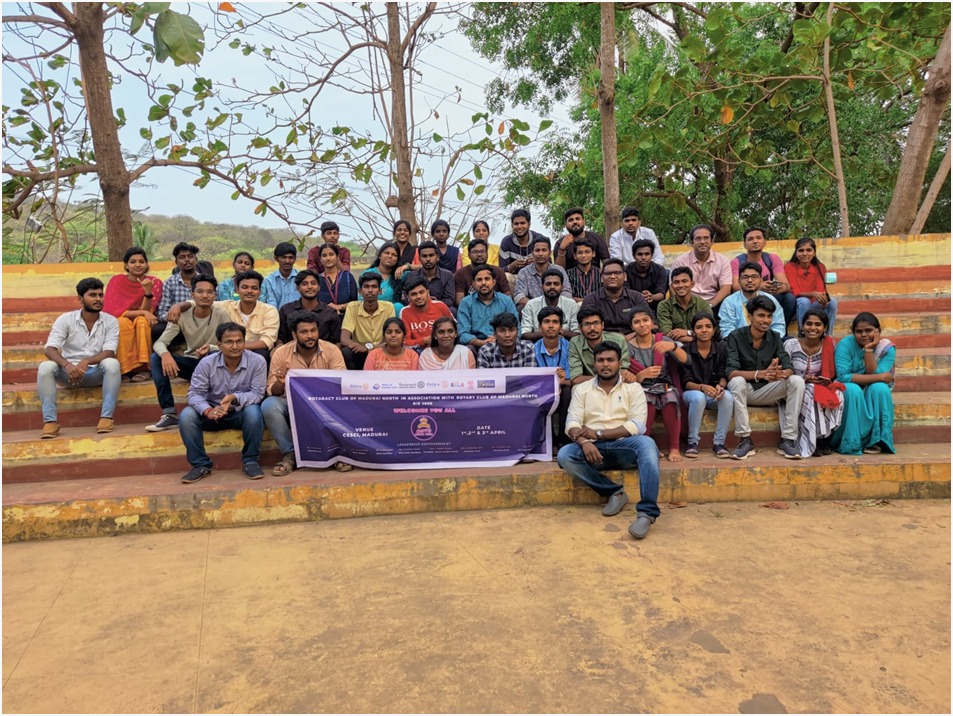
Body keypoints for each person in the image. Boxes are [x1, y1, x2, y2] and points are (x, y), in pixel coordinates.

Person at [557, 341, 661, 540]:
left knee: (647, 445)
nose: (605, 364)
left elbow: (637, 426)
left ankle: (647, 512)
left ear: (619, 363)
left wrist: (597, 435)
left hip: (624, 447)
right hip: (592, 450)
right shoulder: (582, 389)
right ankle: (614, 492)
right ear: (594, 363)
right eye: (601, 360)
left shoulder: (633, 388)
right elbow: (571, 423)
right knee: (565, 455)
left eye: (610, 360)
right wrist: (585, 442)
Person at [177, 322, 266, 483]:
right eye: (229, 342)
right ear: (219, 344)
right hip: (212, 413)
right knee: (186, 415)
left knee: (253, 412)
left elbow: (257, 393)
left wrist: (234, 398)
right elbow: (195, 394)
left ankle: (250, 461)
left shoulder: (257, 361)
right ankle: (200, 465)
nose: (235, 346)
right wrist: (208, 410)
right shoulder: (206, 363)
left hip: (239, 412)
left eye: (239, 341)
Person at [263, 310, 348, 477]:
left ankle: (337, 453)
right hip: (293, 404)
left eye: (313, 331)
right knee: (269, 405)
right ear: (294, 334)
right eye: (304, 332)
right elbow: (271, 390)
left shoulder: (331, 350)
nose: (310, 336)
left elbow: (340, 383)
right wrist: (281, 383)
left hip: (325, 403)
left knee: (344, 402)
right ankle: (291, 454)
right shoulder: (281, 353)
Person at [37, 278, 120, 439]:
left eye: (100, 295)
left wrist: (88, 361)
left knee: (112, 364)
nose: (98, 299)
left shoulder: (111, 321)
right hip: (68, 374)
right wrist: (67, 365)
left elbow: (110, 351)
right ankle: (50, 422)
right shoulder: (65, 319)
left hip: (95, 373)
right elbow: (50, 349)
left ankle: (106, 418)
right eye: (92, 295)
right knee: (45, 367)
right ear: (80, 299)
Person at [146, 274, 230, 432]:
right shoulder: (182, 315)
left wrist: (211, 348)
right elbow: (160, 342)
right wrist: (165, 355)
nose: (205, 296)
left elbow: (232, 345)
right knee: (156, 357)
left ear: (215, 295)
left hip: (215, 362)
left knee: (215, 357)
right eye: (200, 291)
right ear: (192, 295)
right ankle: (169, 413)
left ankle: (217, 407)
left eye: (209, 292)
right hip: (193, 364)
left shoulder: (221, 314)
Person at [726, 295, 806, 460]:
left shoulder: (775, 337)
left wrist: (780, 374)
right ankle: (745, 441)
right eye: (761, 315)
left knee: (796, 381)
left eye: (769, 316)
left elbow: (788, 366)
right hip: (744, 391)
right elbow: (731, 372)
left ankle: (788, 440)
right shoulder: (736, 336)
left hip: (768, 391)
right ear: (750, 317)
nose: (766, 320)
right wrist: (759, 374)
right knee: (737, 381)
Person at [168, 269, 280, 365]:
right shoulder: (227, 306)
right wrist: (177, 306)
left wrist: (238, 347)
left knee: (262, 354)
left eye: (254, 288)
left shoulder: (269, 311)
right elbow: (200, 302)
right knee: (215, 354)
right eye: (245, 287)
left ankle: (259, 388)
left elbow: (266, 342)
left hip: (252, 352)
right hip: (228, 353)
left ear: (260, 291)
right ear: (237, 289)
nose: (249, 291)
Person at [626, 307, 690, 462]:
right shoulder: (627, 346)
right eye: (637, 322)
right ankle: (646, 447)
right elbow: (624, 374)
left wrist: (673, 346)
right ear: (631, 327)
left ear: (653, 323)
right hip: (640, 387)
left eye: (645, 320)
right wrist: (640, 376)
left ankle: (674, 448)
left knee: (670, 399)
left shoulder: (664, 341)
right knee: (646, 401)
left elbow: (687, 361)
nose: (642, 325)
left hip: (665, 385)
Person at [781, 308, 845, 458]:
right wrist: (805, 381)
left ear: (825, 328)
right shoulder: (791, 345)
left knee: (838, 393)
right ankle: (812, 441)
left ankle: (824, 436)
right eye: (809, 324)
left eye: (818, 324)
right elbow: (784, 373)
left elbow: (832, 373)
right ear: (802, 326)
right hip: (792, 389)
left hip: (819, 387)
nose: (813, 328)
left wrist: (823, 380)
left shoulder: (829, 345)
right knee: (810, 390)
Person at [831, 312, 896, 455]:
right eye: (859, 331)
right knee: (852, 389)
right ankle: (851, 441)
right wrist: (879, 377)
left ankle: (877, 440)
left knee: (880, 389)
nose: (864, 335)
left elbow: (876, 374)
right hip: (849, 389)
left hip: (870, 388)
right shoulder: (845, 345)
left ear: (878, 331)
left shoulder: (886, 348)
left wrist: (868, 350)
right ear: (853, 332)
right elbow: (843, 377)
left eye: (868, 330)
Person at [103, 247, 162, 381]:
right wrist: (142, 312)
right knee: (121, 323)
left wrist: (147, 292)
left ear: (146, 265)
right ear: (126, 265)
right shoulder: (117, 281)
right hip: (122, 318)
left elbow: (148, 312)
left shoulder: (154, 282)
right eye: (133, 262)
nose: (137, 265)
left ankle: (144, 368)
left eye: (141, 261)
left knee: (142, 321)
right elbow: (113, 311)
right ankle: (123, 369)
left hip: (142, 318)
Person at [679, 312, 733, 459]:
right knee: (698, 398)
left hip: (712, 393)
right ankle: (692, 442)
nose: (704, 330)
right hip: (692, 393)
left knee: (727, 397)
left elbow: (723, 374)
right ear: (693, 330)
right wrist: (702, 387)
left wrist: (721, 386)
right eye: (699, 327)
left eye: (708, 326)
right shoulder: (685, 350)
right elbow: (686, 382)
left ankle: (719, 443)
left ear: (714, 329)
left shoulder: (722, 348)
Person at [731, 227, 796, 327]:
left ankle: (781, 330)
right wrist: (759, 286)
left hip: (769, 297)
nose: (755, 241)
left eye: (758, 238)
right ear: (744, 244)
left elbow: (786, 285)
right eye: (750, 239)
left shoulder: (772, 259)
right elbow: (735, 287)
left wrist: (777, 287)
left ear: (765, 242)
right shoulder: (737, 261)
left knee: (789, 298)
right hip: (747, 297)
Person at [669, 224, 732, 314]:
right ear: (691, 242)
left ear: (712, 241)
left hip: (713, 304)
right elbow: (673, 287)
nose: (702, 242)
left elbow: (726, 288)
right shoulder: (680, 261)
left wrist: (710, 306)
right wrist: (682, 307)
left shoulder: (722, 261)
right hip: (687, 306)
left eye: (706, 238)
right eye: (698, 238)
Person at [534, 306, 573, 448]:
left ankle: (564, 439)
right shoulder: (532, 349)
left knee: (568, 392)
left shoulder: (570, 347)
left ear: (561, 326)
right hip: (543, 390)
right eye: (546, 321)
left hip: (564, 391)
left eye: (555, 322)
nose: (551, 326)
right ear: (539, 326)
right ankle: (549, 440)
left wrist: (563, 382)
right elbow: (533, 378)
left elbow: (572, 377)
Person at [340, 272, 396, 369]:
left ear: (380, 291)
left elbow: (391, 338)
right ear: (360, 291)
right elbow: (344, 339)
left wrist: (368, 348)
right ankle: (353, 382)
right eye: (366, 287)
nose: (370, 290)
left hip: (382, 351)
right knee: (346, 352)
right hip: (359, 353)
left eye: (374, 287)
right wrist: (357, 346)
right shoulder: (352, 307)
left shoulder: (388, 307)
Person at [457, 265, 520, 352]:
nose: (483, 283)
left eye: (487, 279)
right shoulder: (466, 303)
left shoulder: (506, 301)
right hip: (477, 345)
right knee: (467, 349)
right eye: (479, 280)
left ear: (493, 282)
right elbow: (463, 333)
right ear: (473, 284)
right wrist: (482, 342)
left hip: (504, 342)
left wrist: (499, 340)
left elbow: (517, 329)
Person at [580, 258, 651, 334]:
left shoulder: (636, 297)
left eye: (617, 273)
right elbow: (586, 328)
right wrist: (617, 339)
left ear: (625, 276)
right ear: (601, 278)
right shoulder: (591, 300)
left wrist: (628, 338)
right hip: (602, 341)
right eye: (608, 273)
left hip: (633, 339)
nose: (613, 276)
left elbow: (649, 324)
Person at [784, 237, 837, 335]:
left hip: (814, 306)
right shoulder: (789, 267)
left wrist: (823, 298)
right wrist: (812, 293)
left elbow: (821, 291)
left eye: (809, 250)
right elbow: (794, 292)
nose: (805, 254)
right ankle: (803, 334)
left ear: (814, 253)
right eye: (801, 250)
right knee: (804, 301)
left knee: (832, 302)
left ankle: (827, 337)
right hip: (797, 308)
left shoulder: (820, 267)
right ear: (796, 253)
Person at [719, 261, 786, 337]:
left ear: (761, 280)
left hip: (767, 344)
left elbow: (779, 326)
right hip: (738, 345)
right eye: (745, 277)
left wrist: (767, 342)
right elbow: (727, 330)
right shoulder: (729, 302)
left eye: (754, 277)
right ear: (739, 281)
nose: (750, 280)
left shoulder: (771, 300)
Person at [276, 269, 342, 346]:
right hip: (292, 354)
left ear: (319, 287)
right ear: (297, 288)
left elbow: (337, 342)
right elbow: (280, 339)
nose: (310, 287)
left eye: (313, 283)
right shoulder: (286, 310)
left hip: (323, 354)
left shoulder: (330, 313)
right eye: (305, 284)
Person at [568, 306, 630, 384]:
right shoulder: (575, 343)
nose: (592, 328)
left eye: (596, 323)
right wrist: (603, 380)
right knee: (576, 388)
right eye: (587, 324)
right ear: (580, 328)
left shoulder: (618, 340)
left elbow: (623, 371)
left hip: (615, 384)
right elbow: (576, 378)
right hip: (589, 385)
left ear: (602, 325)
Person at [154, 241, 201, 342]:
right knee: (157, 330)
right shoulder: (169, 283)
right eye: (182, 257)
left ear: (196, 259)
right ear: (176, 262)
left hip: (202, 323)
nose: (187, 260)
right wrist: (175, 317)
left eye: (190, 256)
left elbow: (215, 306)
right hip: (177, 324)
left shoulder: (206, 281)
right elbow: (161, 312)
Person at [520, 269, 579, 341]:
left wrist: (560, 332)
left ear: (562, 287)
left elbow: (577, 333)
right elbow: (525, 333)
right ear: (542, 287)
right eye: (548, 284)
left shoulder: (571, 304)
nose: (552, 287)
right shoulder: (531, 305)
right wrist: (548, 333)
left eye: (556, 284)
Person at [513, 236, 571, 310]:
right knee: (520, 308)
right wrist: (539, 306)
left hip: (558, 308)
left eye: (544, 250)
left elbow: (567, 293)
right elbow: (519, 296)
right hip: (534, 309)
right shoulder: (524, 272)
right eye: (537, 250)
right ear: (532, 253)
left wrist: (552, 308)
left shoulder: (559, 270)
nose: (540, 254)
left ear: (550, 253)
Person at [656, 267, 710, 343]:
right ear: (672, 286)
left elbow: (709, 331)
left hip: (700, 345)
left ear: (692, 284)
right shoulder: (664, 305)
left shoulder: (702, 304)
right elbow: (667, 334)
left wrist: (687, 332)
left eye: (684, 281)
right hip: (674, 346)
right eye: (676, 282)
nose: (680, 285)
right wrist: (694, 339)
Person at [499, 209, 549, 290]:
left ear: (529, 224)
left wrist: (537, 262)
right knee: (506, 276)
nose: (519, 227)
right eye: (516, 224)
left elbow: (550, 263)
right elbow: (501, 270)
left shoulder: (539, 239)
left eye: (522, 223)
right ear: (512, 225)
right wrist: (513, 266)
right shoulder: (506, 242)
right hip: (516, 279)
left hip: (538, 277)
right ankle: (513, 302)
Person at [400, 275, 454, 350]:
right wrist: (423, 340)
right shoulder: (405, 312)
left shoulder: (440, 306)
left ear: (428, 292)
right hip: (418, 350)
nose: (418, 296)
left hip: (443, 347)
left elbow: (455, 329)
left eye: (421, 292)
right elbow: (405, 343)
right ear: (408, 297)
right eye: (414, 294)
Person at [455, 238, 512, 303]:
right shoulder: (461, 273)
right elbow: (459, 301)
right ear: (469, 255)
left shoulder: (498, 271)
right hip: (471, 309)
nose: (479, 255)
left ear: (487, 254)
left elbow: (507, 296)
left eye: (482, 251)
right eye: (475, 252)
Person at [403, 240, 456, 310]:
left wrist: (433, 302)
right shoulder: (412, 276)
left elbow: (450, 300)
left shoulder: (447, 275)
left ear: (437, 257)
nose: (428, 259)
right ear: (419, 259)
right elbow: (406, 298)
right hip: (418, 308)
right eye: (424, 256)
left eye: (431, 255)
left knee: (452, 310)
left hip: (439, 309)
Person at [554, 207, 611, 272]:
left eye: (577, 219)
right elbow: (558, 271)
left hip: (595, 279)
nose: (575, 222)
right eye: (571, 220)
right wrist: (562, 249)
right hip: (570, 280)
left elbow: (607, 263)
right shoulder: (560, 243)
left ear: (584, 222)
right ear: (566, 225)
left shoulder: (596, 238)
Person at [625, 239, 669, 313]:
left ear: (651, 255)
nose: (643, 257)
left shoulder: (660, 270)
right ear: (633, 256)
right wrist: (639, 297)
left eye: (647, 254)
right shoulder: (626, 271)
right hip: (632, 307)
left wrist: (651, 296)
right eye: (640, 254)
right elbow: (625, 293)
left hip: (655, 308)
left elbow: (661, 294)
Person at [316, 243, 358, 314]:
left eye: (331, 254)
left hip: (346, 320)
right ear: (320, 259)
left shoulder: (347, 277)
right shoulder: (316, 280)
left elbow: (355, 303)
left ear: (337, 257)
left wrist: (338, 307)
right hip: (323, 320)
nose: (328, 258)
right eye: (324, 255)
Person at [369, 241, 406, 313]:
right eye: (387, 253)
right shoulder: (368, 274)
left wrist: (407, 266)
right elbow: (361, 299)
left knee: (398, 306)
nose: (390, 256)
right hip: (371, 313)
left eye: (394, 255)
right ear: (379, 255)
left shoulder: (399, 274)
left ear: (397, 259)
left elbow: (423, 268)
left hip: (392, 317)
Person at [261, 242, 300, 309]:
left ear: (295, 259)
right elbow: (271, 305)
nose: (287, 261)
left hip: (300, 317)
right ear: (276, 258)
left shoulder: (302, 279)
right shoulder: (269, 281)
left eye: (291, 257)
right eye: (283, 257)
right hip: (276, 317)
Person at [566, 236, 602, 303]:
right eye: (580, 253)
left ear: (593, 254)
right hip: (575, 308)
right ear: (575, 256)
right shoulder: (568, 274)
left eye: (587, 252)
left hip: (597, 307)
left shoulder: (600, 273)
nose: (583, 256)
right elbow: (567, 296)